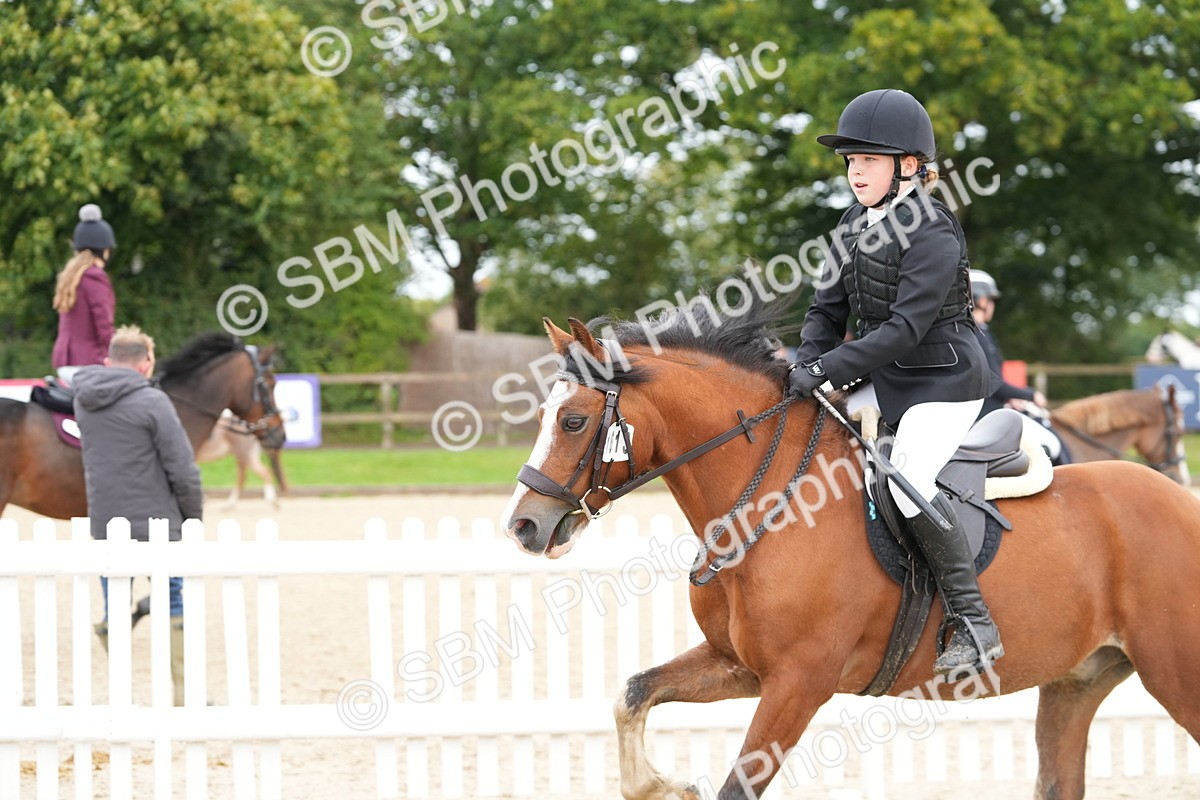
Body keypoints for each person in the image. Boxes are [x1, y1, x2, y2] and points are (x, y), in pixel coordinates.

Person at [787, 89, 1003, 677]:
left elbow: (906, 329)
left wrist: (828, 370)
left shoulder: (934, 232)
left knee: (906, 481)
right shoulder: (850, 224)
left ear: (909, 166)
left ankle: (974, 621)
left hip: (945, 381)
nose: (855, 171)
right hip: (884, 377)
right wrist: (804, 365)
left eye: (869, 160)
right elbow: (825, 312)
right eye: (851, 160)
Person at [73, 325, 204, 705]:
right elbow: (182, 468)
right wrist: (192, 517)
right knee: (174, 599)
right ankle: (183, 694)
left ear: (108, 361)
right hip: (158, 522)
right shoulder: (154, 402)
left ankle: (122, 696)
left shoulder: (84, 399)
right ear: (147, 363)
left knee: (115, 601)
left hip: (106, 522)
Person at [970, 269, 1070, 464]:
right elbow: (994, 383)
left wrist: (1014, 397)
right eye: (991, 300)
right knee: (1052, 443)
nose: (992, 306)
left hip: (994, 408)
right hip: (986, 414)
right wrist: (1031, 395)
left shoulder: (981, 332)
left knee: (1044, 427)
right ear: (981, 300)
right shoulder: (977, 334)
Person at [52, 204, 116, 384]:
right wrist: (120, 354)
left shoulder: (71, 277)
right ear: (105, 251)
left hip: (66, 363)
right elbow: (104, 326)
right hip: (89, 363)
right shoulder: (95, 277)